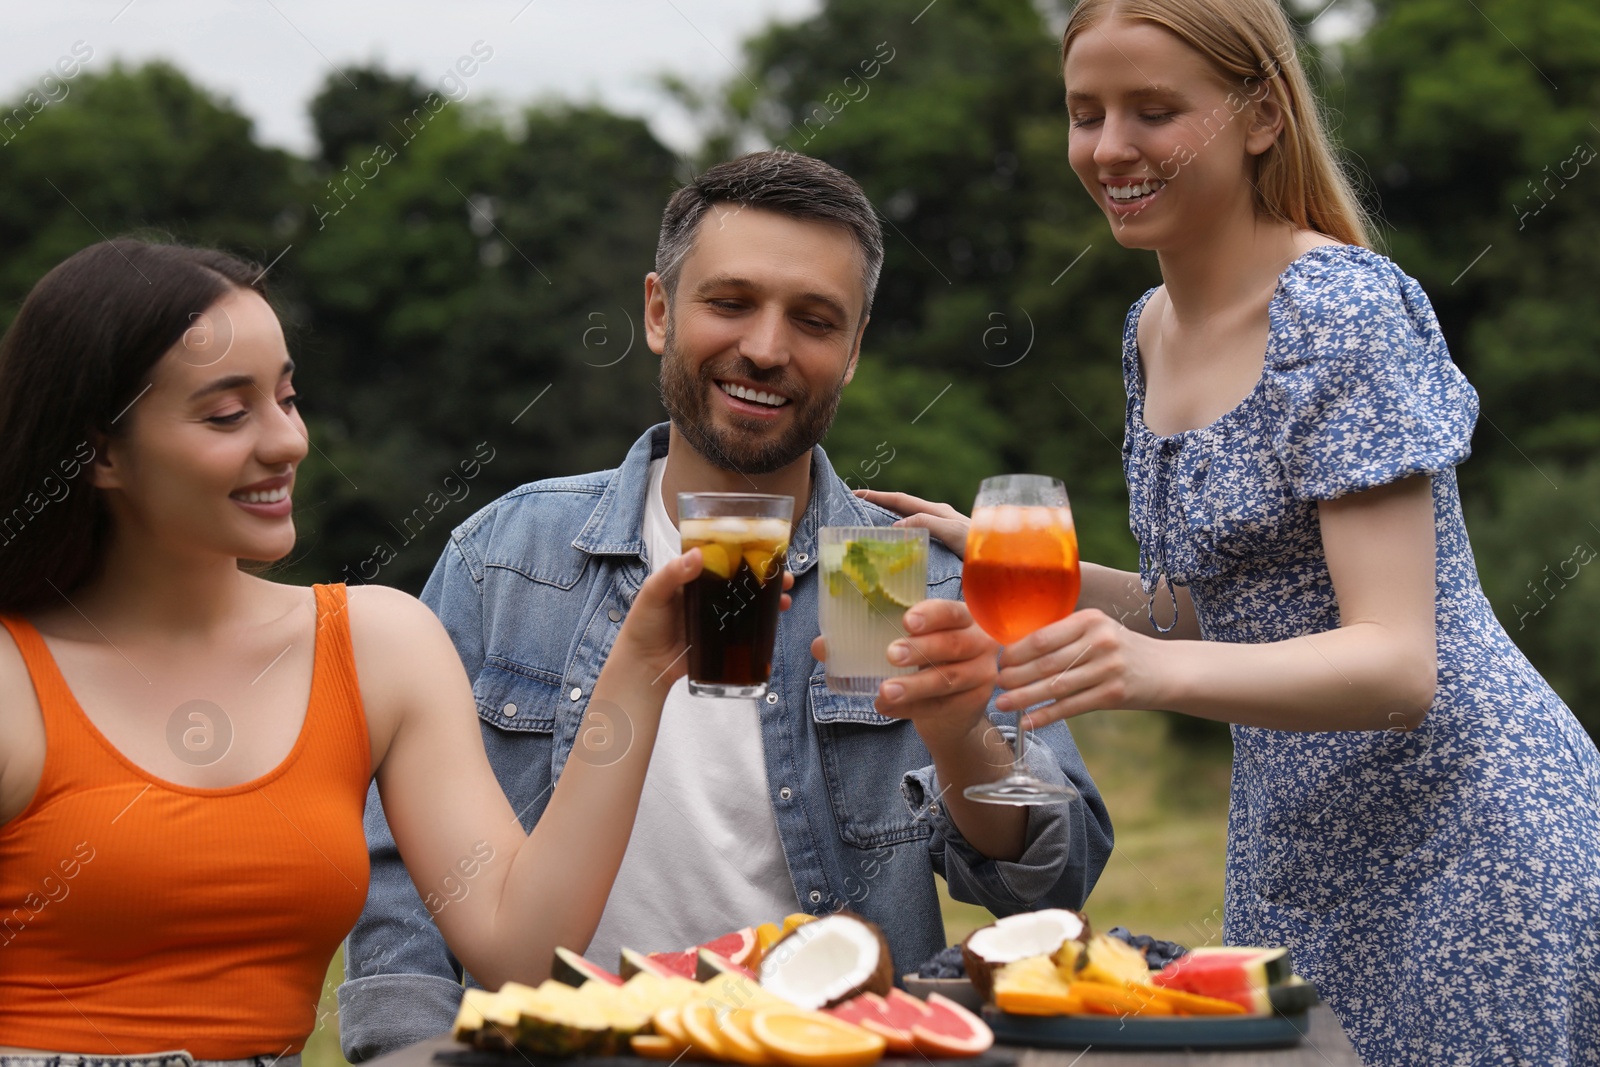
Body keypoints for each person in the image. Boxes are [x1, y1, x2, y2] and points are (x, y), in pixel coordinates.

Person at [866, 1, 1600, 1063]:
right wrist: (1041, 574)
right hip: (1305, 844)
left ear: (1259, 115)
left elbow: (1397, 662)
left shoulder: (1334, 309)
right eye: (1085, 112)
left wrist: (1143, 668)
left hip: (1467, 839)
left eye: (1153, 110)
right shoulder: (1148, 327)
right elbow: (1237, 607)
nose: (1110, 147)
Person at [338, 150, 1114, 1059]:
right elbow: (401, 873)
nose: (767, 348)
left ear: (854, 350)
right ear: (660, 312)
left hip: (832, 1046)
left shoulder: (903, 575)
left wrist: (959, 737)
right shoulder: (508, 558)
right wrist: (404, 1050)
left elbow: (1048, 887)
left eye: (815, 320)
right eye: (731, 302)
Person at [0, 238, 758, 1063]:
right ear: (100, 452)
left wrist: (639, 673)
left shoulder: (375, 645)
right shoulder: (16, 672)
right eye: (228, 413)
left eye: (287, 398)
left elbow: (520, 949)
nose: (288, 442)